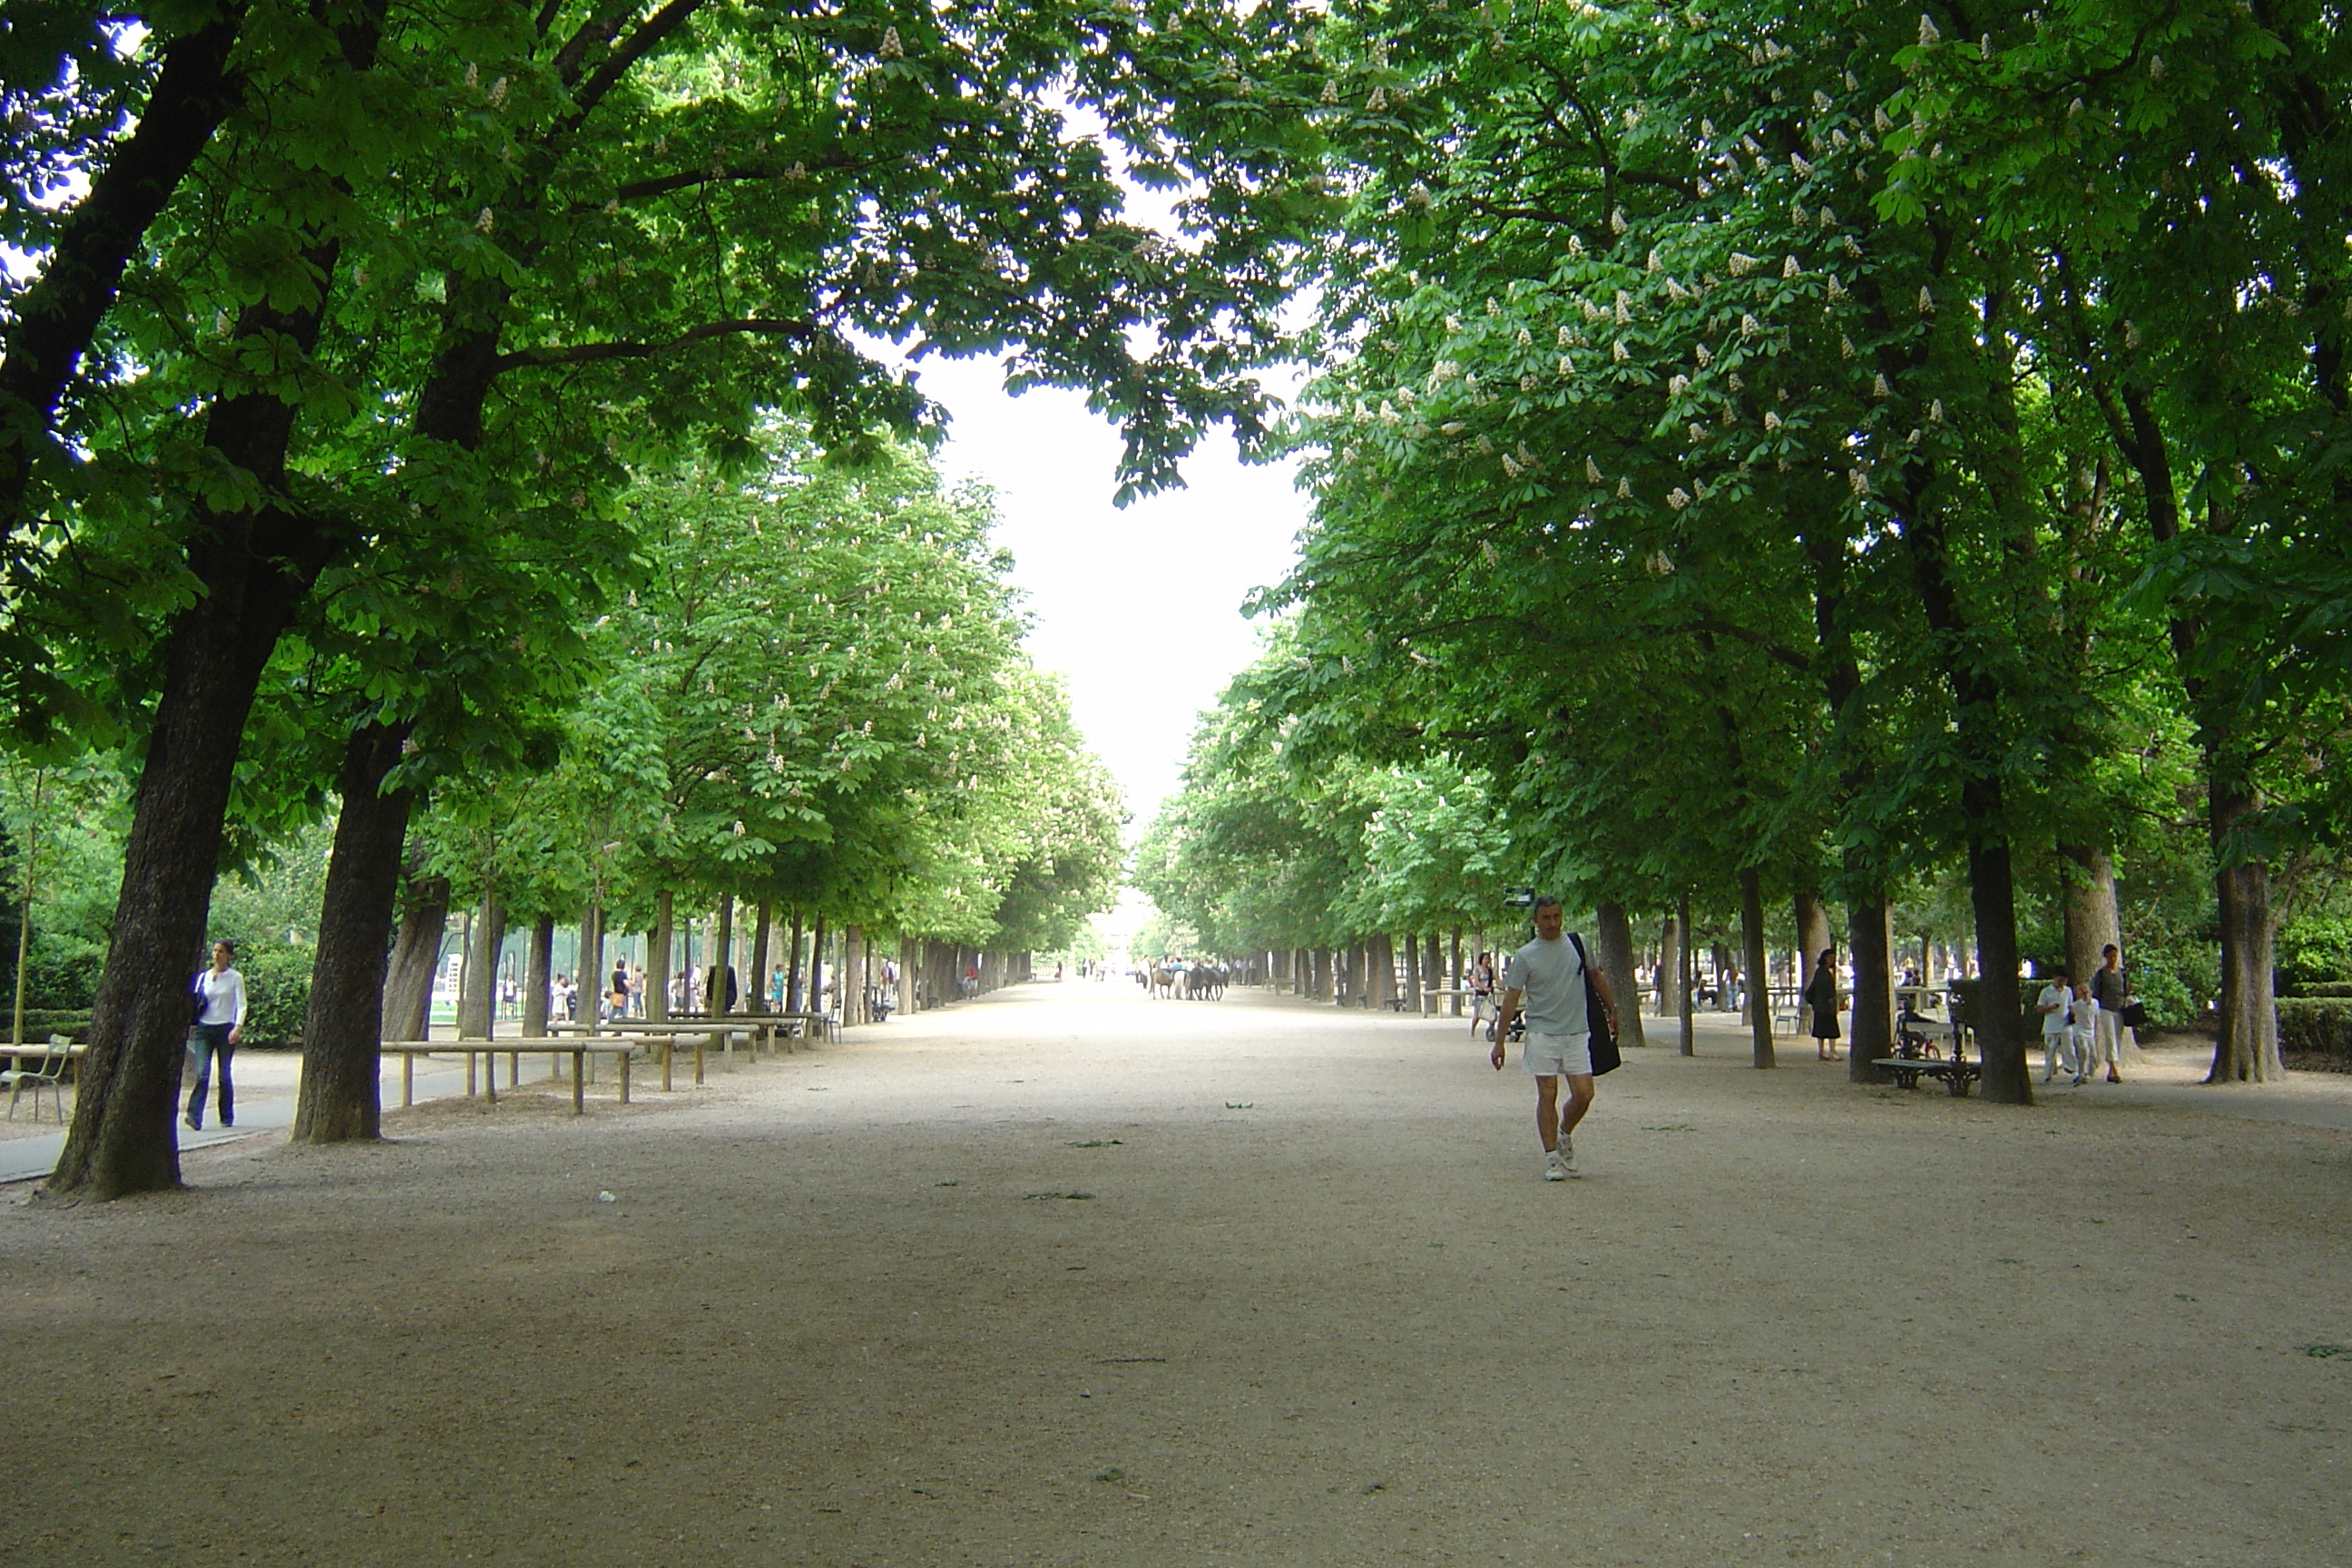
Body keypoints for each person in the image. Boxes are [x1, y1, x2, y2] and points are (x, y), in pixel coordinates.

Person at [1491, 897, 1620, 1181]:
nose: (1552, 923)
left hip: (1576, 1031)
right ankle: (1551, 1157)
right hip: (1541, 1033)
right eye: (1546, 918)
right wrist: (1499, 1042)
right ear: (1535, 921)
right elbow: (1511, 998)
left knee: (1584, 1094)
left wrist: (1613, 1009)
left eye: (1556, 916)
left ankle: (1564, 1134)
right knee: (1547, 1094)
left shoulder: (1579, 944)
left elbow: (1596, 977)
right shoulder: (1526, 955)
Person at [186, 939, 247, 1132]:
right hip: (205, 1028)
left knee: (224, 1075)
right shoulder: (203, 977)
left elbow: (242, 1004)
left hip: (225, 1029)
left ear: (228, 955)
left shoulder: (235, 978)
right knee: (202, 1073)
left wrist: (237, 1027)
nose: (216, 955)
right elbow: (195, 1000)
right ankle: (194, 1115)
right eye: (214, 951)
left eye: (221, 951)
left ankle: (226, 1115)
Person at [2089, 943, 2128, 1083]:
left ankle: (2112, 1070)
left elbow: (2124, 990)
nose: (2113, 959)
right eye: (2110, 956)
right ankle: (2113, 1068)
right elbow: (2096, 992)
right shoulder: (2101, 974)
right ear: (2105, 957)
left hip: (2120, 1009)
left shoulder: (2122, 973)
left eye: (2115, 956)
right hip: (2106, 1009)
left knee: (2117, 1038)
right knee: (2110, 1038)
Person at [2036, 965, 2080, 1083]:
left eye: (2064, 980)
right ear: (2054, 978)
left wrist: (2073, 1015)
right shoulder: (2046, 991)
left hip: (2065, 1025)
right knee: (2050, 1050)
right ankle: (2048, 1074)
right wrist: (2050, 1008)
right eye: (2060, 980)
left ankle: (2074, 1071)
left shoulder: (2068, 991)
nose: (2062, 983)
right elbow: (2039, 1008)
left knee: (2069, 1048)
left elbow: (2070, 1005)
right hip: (2051, 1026)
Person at [1804, 946, 1842, 1062]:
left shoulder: (1823, 972)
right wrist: (1829, 999)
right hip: (1825, 1007)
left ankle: (1826, 1051)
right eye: (1830, 957)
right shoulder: (1822, 972)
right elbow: (1822, 989)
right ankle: (1827, 1051)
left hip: (1823, 1006)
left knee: (1825, 1030)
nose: (1832, 960)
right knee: (1828, 1030)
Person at [1467, 951, 1496, 1041]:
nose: (1487, 960)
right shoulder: (1477, 969)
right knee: (1478, 1014)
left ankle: (1491, 1032)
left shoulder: (1490, 970)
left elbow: (1496, 979)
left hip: (1489, 995)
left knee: (1492, 1014)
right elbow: (1476, 981)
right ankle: (1472, 1031)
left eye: (1488, 958)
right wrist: (1484, 988)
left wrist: (1502, 986)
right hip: (1479, 995)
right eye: (1485, 958)